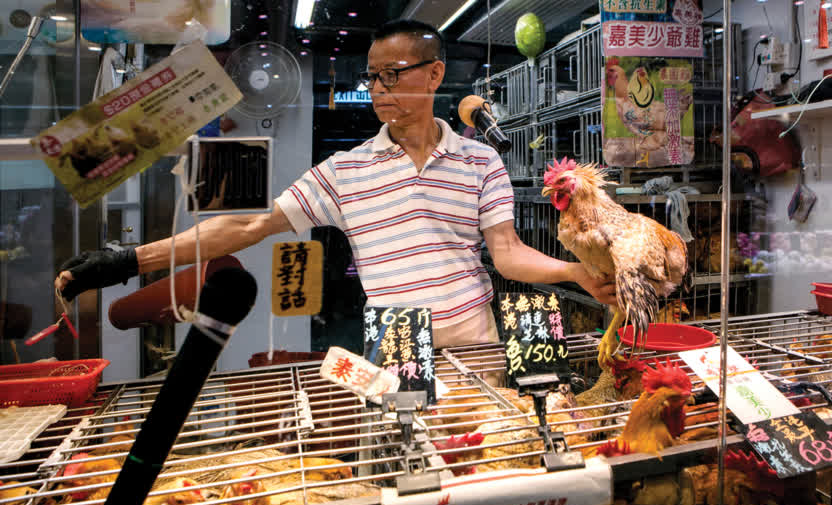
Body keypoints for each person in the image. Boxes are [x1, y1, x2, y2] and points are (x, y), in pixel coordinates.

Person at [56, 20, 616, 348]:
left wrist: (574, 273)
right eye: (372, 76)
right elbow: (250, 227)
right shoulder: (344, 172)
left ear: (435, 75)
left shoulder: (479, 162)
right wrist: (129, 261)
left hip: (478, 342)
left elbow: (508, 254)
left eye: (392, 75)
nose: (377, 88)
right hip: (397, 349)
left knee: (484, 473)